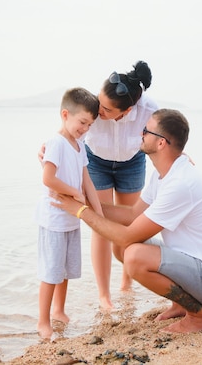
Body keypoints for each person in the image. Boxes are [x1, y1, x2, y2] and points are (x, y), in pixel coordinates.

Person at [51, 109, 202, 333]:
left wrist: (81, 211)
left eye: (145, 130)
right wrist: (83, 198)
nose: (140, 134)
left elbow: (128, 234)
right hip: (199, 267)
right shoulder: (165, 173)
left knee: (134, 255)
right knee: (123, 248)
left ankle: (199, 316)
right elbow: (132, 215)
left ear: (161, 143)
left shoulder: (180, 183)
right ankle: (181, 304)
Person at [39, 61, 157, 310]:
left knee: (130, 222)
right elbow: (69, 130)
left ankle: (127, 281)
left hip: (131, 162)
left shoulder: (148, 110)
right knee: (100, 224)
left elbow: (163, 139)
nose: (98, 110)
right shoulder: (93, 106)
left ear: (125, 112)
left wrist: (180, 158)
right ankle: (104, 295)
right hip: (96, 162)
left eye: (105, 109)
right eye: (99, 102)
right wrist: (47, 149)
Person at [34, 87, 104, 339]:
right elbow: (48, 178)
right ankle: (43, 322)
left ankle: (59, 311)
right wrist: (74, 193)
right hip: (53, 218)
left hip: (71, 219)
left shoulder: (79, 146)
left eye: (89, 125)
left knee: (64, 270)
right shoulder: (56, 143)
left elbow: (88, 182)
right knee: (51, 272)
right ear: (65, 114)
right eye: (82, 122)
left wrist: (98, 215)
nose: (85, 128)